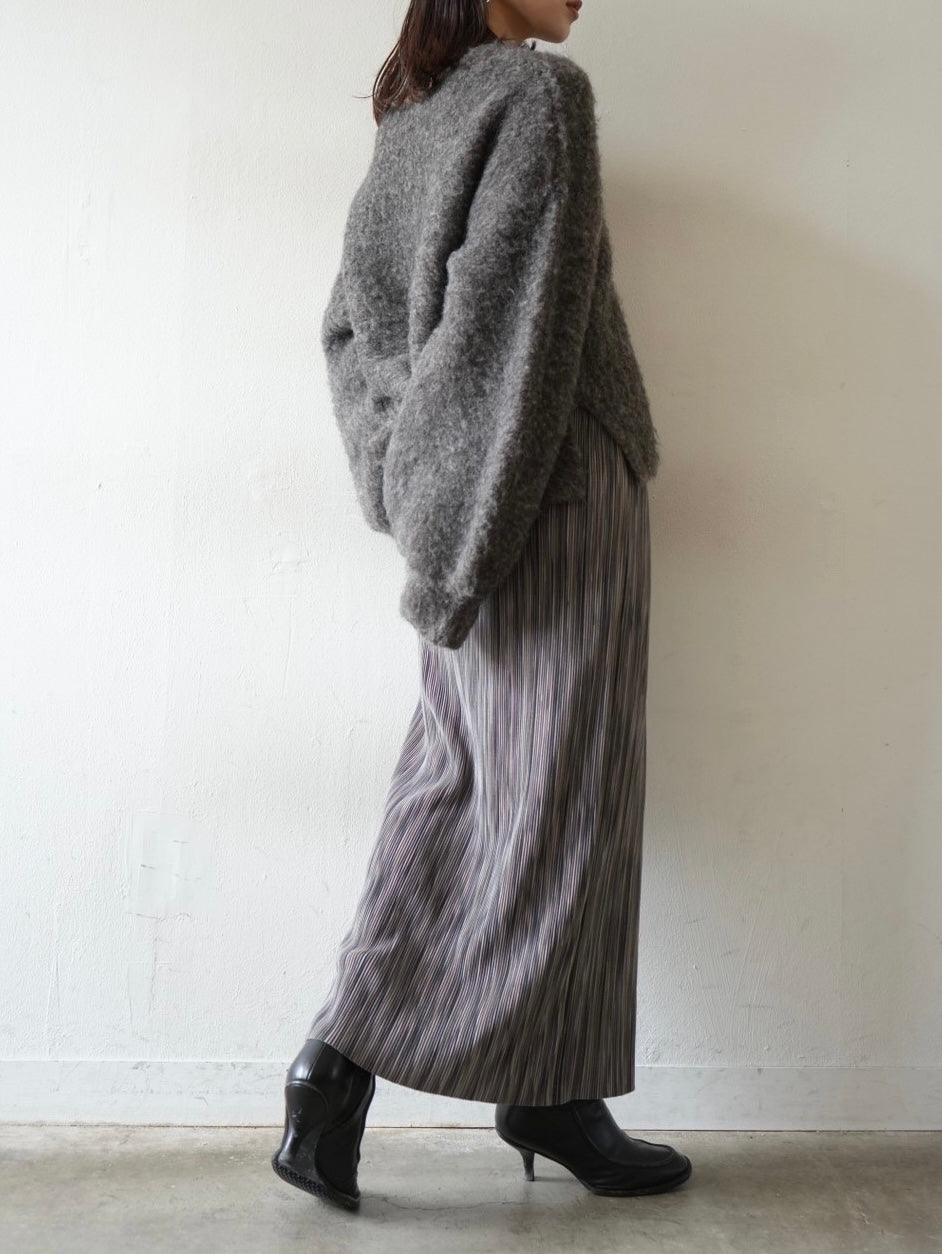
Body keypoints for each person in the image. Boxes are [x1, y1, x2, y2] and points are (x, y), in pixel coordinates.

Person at [272, 0, 691, 1209]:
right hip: (539, 494)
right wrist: (461, 539)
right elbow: (520, 333)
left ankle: (369, 1078)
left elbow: (352, 333)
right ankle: (501, 1086)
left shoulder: (412, 114)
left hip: (473, 497)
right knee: (566, 795)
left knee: (460, 779)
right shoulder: (537, 94)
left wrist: (407, 483)